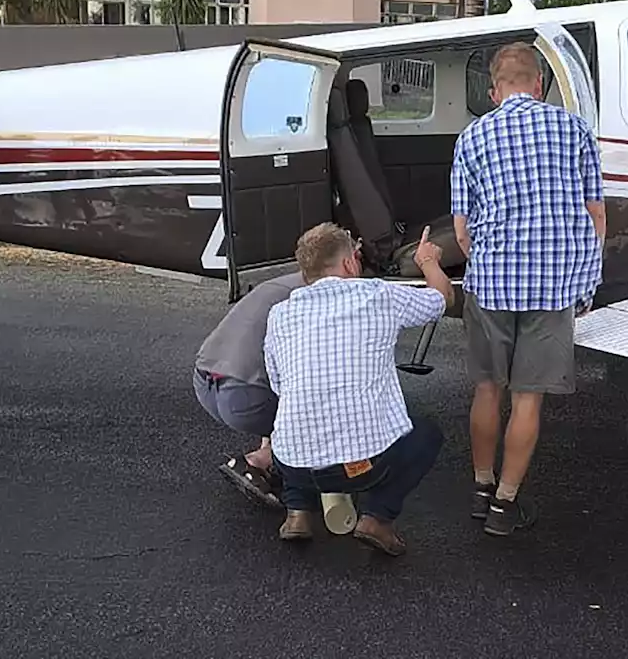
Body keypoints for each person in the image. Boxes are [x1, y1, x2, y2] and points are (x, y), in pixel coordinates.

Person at [450, 41, 606, 537]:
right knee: (528, 399)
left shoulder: (473, 137)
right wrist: (583, 276)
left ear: (495, 90)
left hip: (493, 283)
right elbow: (596, 214)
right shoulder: (575, 129)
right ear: (540, 85)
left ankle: (479, 486)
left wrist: (489, 262)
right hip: (554, 285)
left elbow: (461, 227)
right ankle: (504, 506)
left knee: (487, 389)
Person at [264, 222, 452, 557]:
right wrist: (428, 262)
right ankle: (378, 517)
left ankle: (297, 512)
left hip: (293, 465)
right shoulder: (377, 294)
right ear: (350, 262)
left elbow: (279, 385)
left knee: (296, 418)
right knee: (427, 435)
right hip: (363, 466)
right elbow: (442, 299)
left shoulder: (280, 314)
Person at [193, 270, 305, 507]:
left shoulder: (280, 283)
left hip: (205, 381)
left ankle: (270, 452)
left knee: (273, 375)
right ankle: (261, 461)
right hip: (243, 398)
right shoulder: (318, 297)